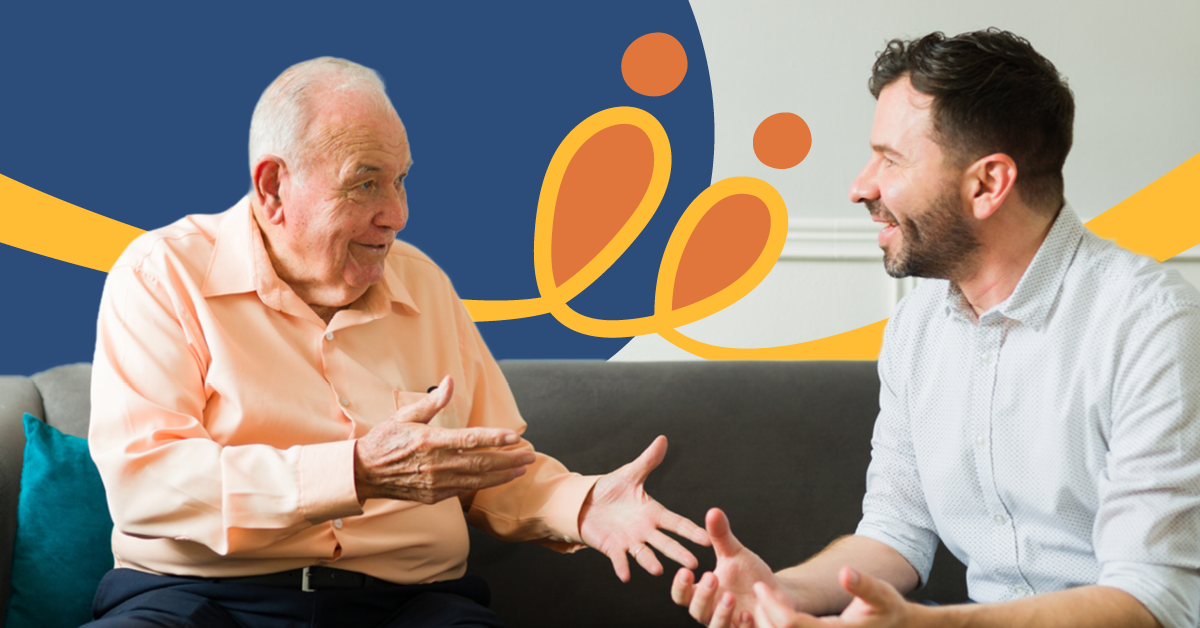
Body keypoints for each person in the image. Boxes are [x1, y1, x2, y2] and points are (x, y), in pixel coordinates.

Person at [85, 57, 709, 627]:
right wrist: (353, 471)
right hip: (200, 600)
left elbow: (483, 466)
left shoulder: (425, 284)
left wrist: (582, 503)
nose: (397, 213)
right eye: (366, 183)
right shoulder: (160, 276)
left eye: (402, 180)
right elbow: (150, 484)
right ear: (273, 188)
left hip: (406, 607)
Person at [670, 28, 1200, 628]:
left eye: (890, 160)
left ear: (987, 184)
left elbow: (1156, 599)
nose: (860, 186)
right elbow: (897, 533)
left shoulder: (1153, 327)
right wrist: (781, 590)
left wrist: (929, 625)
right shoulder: (917, 326)